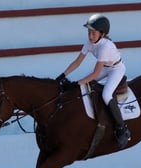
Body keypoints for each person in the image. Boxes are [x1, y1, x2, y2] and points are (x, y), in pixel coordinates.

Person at [56, 13, 131, 149]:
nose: (90, 36)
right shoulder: (89, 43)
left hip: (116, 69)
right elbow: (77, 62)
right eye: (89, 32)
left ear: (102, 34)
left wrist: (77, 82)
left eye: (93, 33)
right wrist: (63, 75)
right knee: (84, 85)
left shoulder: (105, 47)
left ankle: (122, 129)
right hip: (105, 68)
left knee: (106, 95)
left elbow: (96, 73)